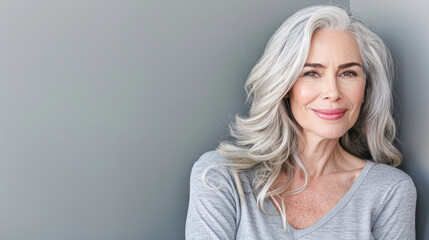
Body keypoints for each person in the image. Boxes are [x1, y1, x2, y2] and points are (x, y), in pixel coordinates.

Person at [186, 5, 417, 239]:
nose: (333, 92)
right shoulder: (220, 176)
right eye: (311, 73)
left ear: (365, 87)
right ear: (286, 86)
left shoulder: (389, 190)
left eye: (348, 73)